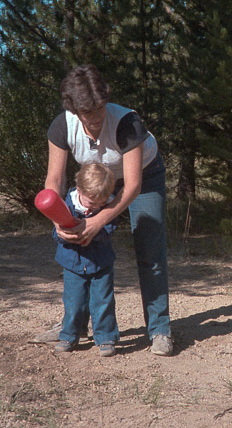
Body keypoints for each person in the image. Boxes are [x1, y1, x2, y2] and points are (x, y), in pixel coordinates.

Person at [41, 64, 173, 356]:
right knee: (79, 251)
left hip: (142, 178)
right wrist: (59, 221)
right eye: (88, 115)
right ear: (74, 110)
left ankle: (160, 329)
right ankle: (72, 327)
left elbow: (133, 185)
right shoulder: (62, 126)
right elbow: (54, 181)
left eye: (100, 111)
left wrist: (99, 220)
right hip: (98, 181)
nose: (96, 120)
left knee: (149, 248)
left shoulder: (128, 123)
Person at [53, 163, 120, 357]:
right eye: (93, 203)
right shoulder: (66, 205)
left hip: (101, 262)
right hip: (73, 263)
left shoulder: (107, 205)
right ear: (80, 191)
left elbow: (110, 227)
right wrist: (63, 235)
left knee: (103, 300)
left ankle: (106, 337)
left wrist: (94, 231)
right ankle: (69, 335)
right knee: (74, 301)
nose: (97, 207)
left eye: (102, 203)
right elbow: (55, 232)